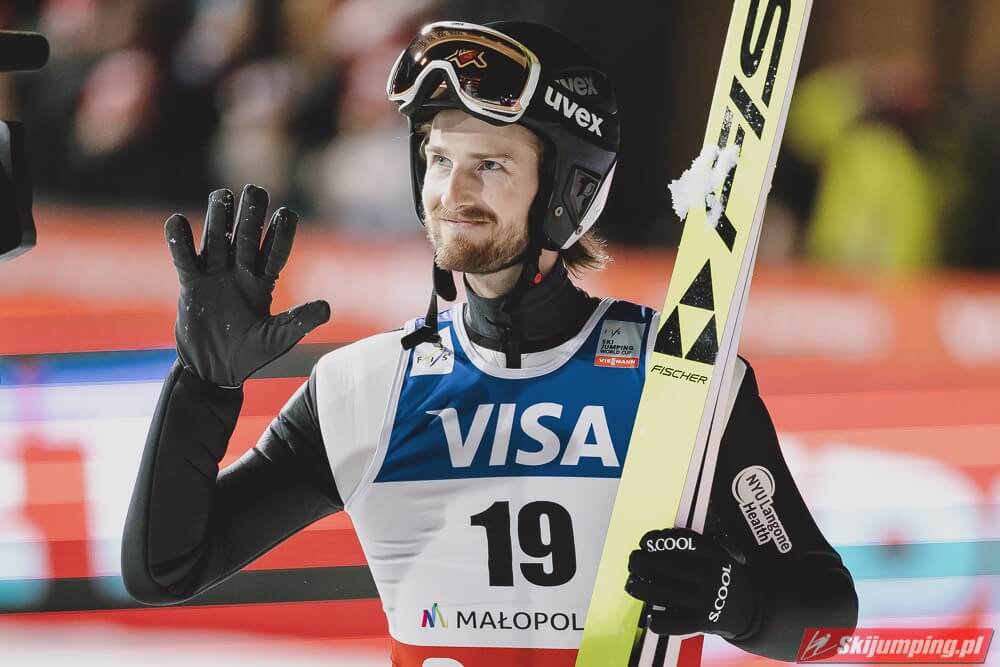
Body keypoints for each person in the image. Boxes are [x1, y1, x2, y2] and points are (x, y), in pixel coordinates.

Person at [122, 20, 858, 666]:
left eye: (491, 165)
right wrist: (202, 387)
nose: (451, 191)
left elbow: (827, 622)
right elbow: (165, 569)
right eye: (439, 159)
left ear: (568, 189)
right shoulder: (365, 388)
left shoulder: (677, 376)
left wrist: (733, 599)